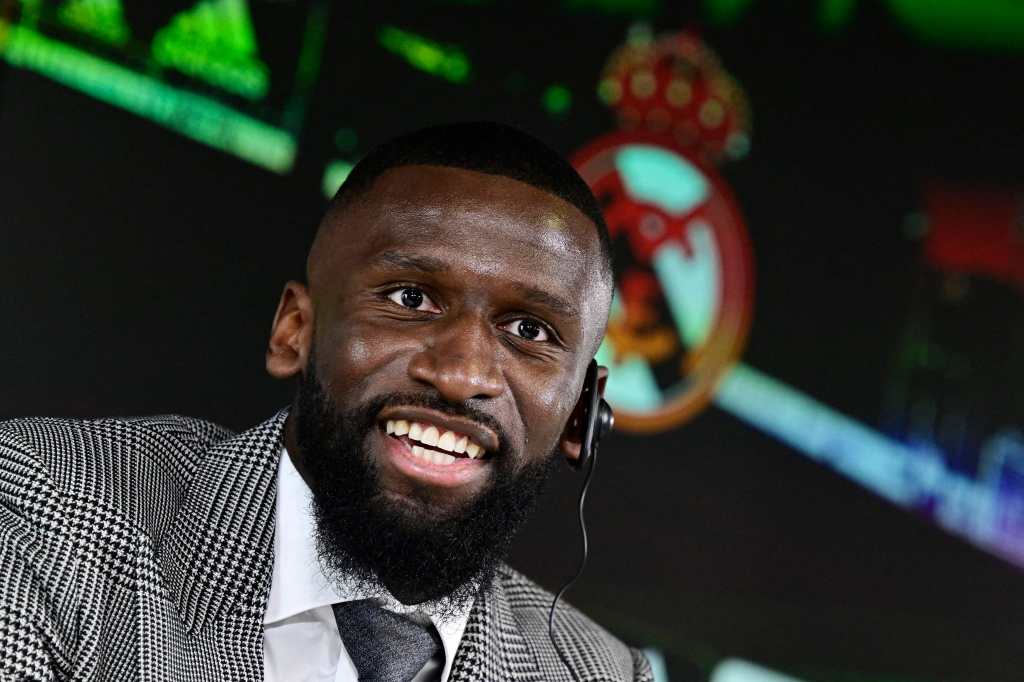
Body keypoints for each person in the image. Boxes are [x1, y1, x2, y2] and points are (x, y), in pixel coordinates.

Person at [0, 122, 653, 681]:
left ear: (581, 414)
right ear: (296, 331)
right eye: (411, 299)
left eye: (529, 331)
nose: (460, 375)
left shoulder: (603, 673)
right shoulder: (45, 513)